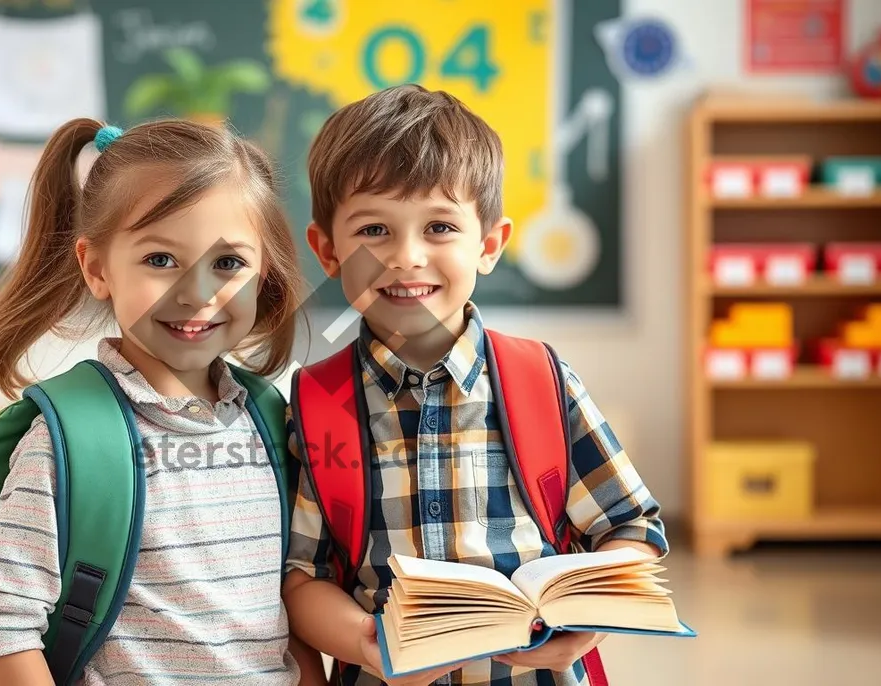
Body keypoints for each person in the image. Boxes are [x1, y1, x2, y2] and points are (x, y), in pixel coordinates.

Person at [281, 84, 669, 686]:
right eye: (373, 231)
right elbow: (300, 578)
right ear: (327, 252)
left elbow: (631, 526)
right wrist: (364, 643)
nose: (406, 256)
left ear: (488, 245)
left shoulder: (541, 380)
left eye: (439, 227)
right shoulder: (316, 404)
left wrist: (586, 616)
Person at [0, 116, 326, 685]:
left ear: (265, 272)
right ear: (96, 268)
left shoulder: (268, 419)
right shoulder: (73, 440)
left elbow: (286, 607)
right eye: (160, 260)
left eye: (228, 263)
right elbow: (0, 625)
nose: (196, 293)